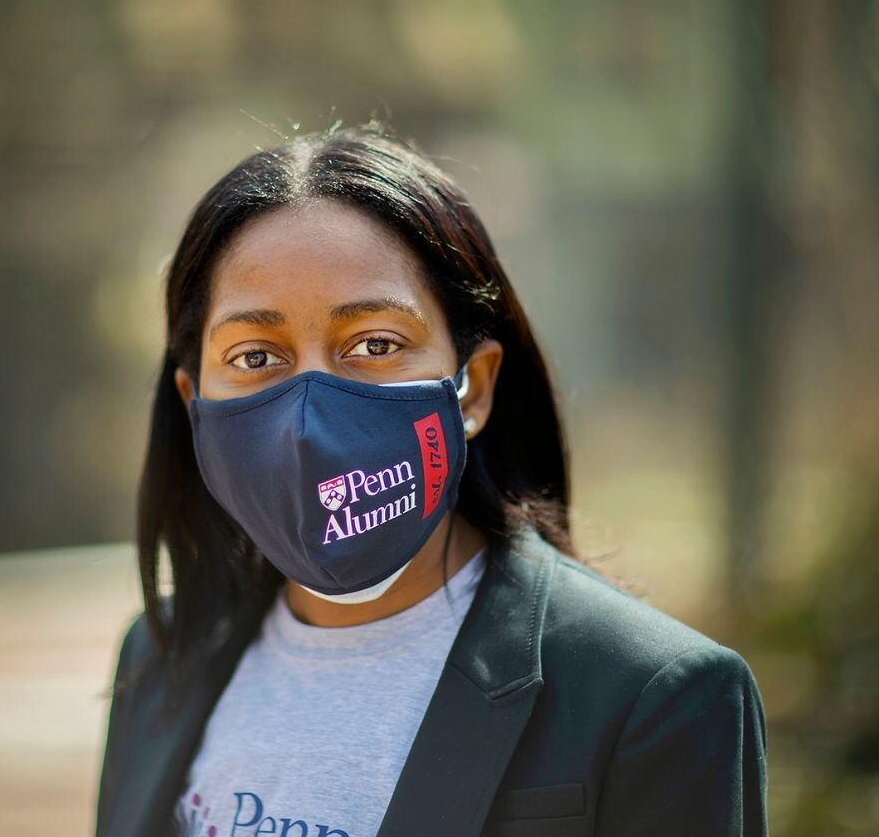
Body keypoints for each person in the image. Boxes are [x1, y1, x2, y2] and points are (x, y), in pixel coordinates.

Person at [97, 126, 767, 837]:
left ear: (472, 390)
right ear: (192, 398)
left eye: (376, 345)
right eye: (256, 355)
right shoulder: (163, 654)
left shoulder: (651, 697)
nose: (310, 420)